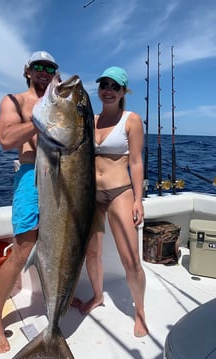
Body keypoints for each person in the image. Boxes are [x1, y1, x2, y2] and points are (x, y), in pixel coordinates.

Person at [0, 51, 59, 353]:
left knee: (60, 243)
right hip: (31, 174)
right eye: (38, 67)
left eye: (50, 68)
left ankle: (60, 303)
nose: (44, 72)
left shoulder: (59, 100)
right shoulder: (13, 101)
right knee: (23, 249)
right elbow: (5, 139)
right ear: (28, 71)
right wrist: (40, 118)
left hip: (60, 175)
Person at [77, 66, 149, 337]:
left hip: (120, 191)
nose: (108, 90)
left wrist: (138, 200)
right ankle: (97, 296)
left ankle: (139, 311)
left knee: (130, 258)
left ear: (123, 92)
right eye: (104, 85)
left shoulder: (131, 119)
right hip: (90, 195)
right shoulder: (88, 120)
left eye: (114, 86)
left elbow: (136, 161)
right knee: (92, 253)